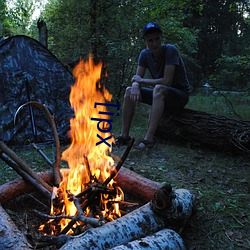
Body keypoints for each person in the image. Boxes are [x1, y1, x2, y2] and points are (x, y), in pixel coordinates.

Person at [115, 21, 191, 148]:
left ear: (161, 37)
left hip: (179, 95)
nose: (154, 43)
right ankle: (124, 136)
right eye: (150, 40)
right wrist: (134, 85)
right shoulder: (144, 54)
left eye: (157, 39)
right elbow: (136, 78)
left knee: (159, 88)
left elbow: (167, 81)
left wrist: (141, 81)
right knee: (129, 91)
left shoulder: (170, 50)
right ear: (145, 41)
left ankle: (149, 138)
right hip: (160, 95)